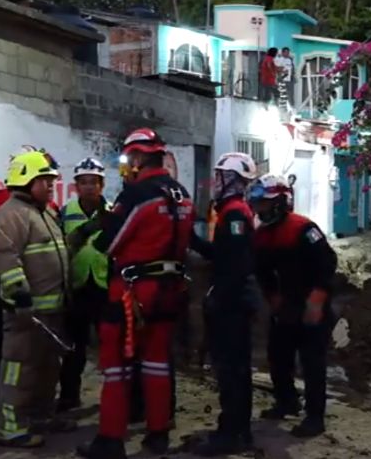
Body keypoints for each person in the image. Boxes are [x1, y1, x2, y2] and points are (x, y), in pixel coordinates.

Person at [78, 128, 193, 459]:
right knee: (157, 363)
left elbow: (110, 243)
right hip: (171, 290)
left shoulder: (137, 194)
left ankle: (110, 441)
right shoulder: (181, 193)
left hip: (132, 294)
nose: (127, 167)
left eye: (129, 159)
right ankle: (158, 435)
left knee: (116, 367)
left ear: (140, 157)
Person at [0, 146, 59, 426]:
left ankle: (35, 411)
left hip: (43, 301)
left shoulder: (47, 209)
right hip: (8, 294)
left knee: (41, 361)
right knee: (5, 354)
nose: (50, 184)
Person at [0, 150, 75, 448]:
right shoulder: (9, 214)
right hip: (26, 314)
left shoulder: (44, 212)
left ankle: (40, 418)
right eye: (46, 181)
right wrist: (21, 297)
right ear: (26, 180)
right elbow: (6, 260)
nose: (51, 186)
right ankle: (12, 428)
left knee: (47, 370)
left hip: (50, 314)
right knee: (19, 370)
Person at [250, 174, 338, 438]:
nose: (259, 209)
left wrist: (318, 298)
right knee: (278, 356)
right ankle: (287, 401)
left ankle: (315, 417)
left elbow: (327, 264)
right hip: (286, 304)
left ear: (279, 202)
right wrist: (273, 298)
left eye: (263, 204)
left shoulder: (303, 229)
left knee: (312, 362)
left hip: (313, 303)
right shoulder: (262, 236)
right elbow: (262, 271)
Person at [190, 153, 260, 456]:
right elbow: (224, 254)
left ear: (232, 180)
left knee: (230, 370)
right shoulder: (234, 211)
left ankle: (230, 433)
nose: (215, 182)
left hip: (232, 303)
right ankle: (238, 429)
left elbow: (232, 262)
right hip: (236, 300)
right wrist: (193, 241)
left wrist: (218, 300)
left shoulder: (233, 214)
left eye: (220, 176)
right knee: (237, 369)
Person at [58, 157, 111, 412]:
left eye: (94, 182)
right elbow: (60, 248)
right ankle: (69, 396)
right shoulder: (65, 212)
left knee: (110, 347)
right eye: (84, 182)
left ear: (102, 184)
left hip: (104, 287)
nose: (89, 187)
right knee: (73, 347)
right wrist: (85, 231)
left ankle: (114, 398)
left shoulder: (113, 211)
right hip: (77, 288)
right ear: (76, 185)